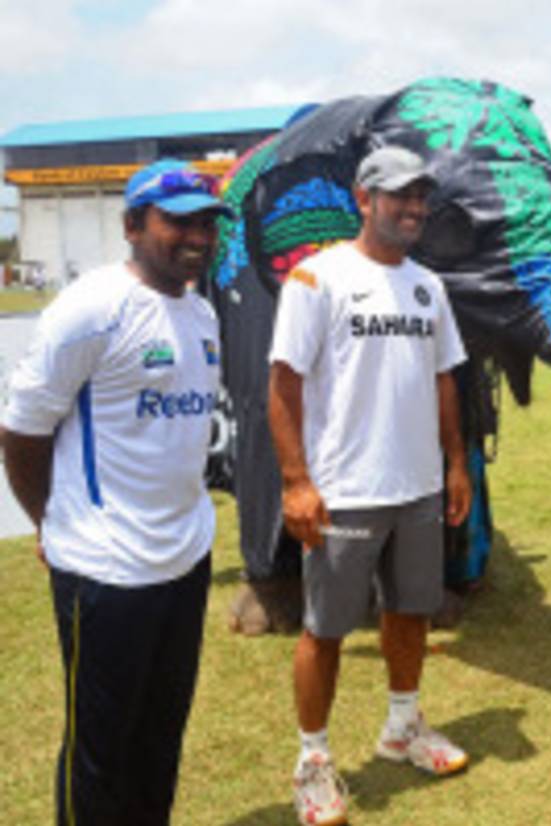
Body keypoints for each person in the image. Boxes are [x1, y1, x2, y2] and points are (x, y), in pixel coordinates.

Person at [0, 158, 229, 825]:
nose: (196, 236)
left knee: (160, 739)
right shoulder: (93, 308)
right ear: (132, 225)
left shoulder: (201, 314)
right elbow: (21, 427)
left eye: (207, 224)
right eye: (177, 221)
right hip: (105, 569)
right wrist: (51, 521)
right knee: (100, 751)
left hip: (184, 560)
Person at [267, 145, 473, 826]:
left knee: (410, 611)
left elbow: (444, 378)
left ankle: (402, 728)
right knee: (325, 629)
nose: (412, 208)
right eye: (398, 196)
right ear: (363, 198)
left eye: (420, 197)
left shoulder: (429, 286)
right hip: (344, 491)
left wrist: (454, 464)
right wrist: (296, 480)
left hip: (416, 487)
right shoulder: (315, 278)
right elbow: (283, 384)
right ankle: (315, 762)